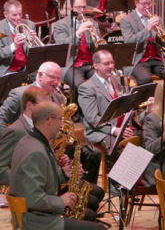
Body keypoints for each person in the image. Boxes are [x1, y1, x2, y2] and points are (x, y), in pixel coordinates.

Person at [9, 101, 106, 230]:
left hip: (40, 215)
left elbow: (43, 179)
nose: (62, 124)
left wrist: (64, 174)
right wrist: (61, 201)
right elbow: (32, 199)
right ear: (50, 120)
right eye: (60, 119)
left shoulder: (34, 140)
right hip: (37, 222)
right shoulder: (35, 151)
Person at [78, 50, 134, 147]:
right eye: (106, 63)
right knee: (118, 147)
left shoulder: (119, 80)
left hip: (123, 127)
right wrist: (114, 130)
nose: (111, 66)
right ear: (96, 65)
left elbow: (128, 105)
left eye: (112, 62)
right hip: (101, 131)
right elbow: (93, 118)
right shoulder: (87, 88)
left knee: (142, 137)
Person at [0, 86, 49, 186]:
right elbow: (1, 166)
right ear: (30, 105)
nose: (48, 110)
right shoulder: (15, 131)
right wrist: (22, 186)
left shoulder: (40, 128)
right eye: (44, 106)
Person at [0, 61, 64, 133]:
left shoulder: (59, 97)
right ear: (40, 75)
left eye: (58, 79)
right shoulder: (19, 94)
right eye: (53, 77)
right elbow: (1, 118)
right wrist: (8, 139)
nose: (57, 82)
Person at [53, 0, 100, 90]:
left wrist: (95, 36)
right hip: (72, 65)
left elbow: (98, 49)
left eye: (84, 7)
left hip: (91, 64)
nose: (81, 11)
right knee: (80, 86)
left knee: (104, 82)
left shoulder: (93, 23)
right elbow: (63, 47)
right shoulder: (61, 25)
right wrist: (78, 33)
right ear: (71, 8)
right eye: (78, 7)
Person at [120, 0, 165, 86]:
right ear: (136, 3)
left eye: (149, 3)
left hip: (157, 58)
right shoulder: (126, 20)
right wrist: (148, 29)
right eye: (144, 4)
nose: (148, 7)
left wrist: (159, 32)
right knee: (145, 79)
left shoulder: (155, 18)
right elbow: (129, 41)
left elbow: (163, 42)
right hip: (138, 60)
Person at [0, 0, 37, 75]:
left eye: (20, 14)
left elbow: (37, 54)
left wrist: (32, 42)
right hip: (7, 70)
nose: (18, 18)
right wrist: (14, 46)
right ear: (5, 14)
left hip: (27, 69)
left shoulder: (30, 25)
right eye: (14, 15)